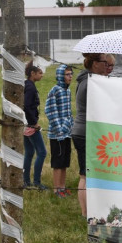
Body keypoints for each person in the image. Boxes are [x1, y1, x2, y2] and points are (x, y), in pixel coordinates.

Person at [71, 53, 108, 216]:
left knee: (88, 173)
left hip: (84, 131)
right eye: (105, 63)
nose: (107, 67)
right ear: (95, 64)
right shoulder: (89, 83)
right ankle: (85, 212)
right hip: (85, 132)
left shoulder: (86, 80)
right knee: (85, 175)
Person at [45, 63, 74, 197]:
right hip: (57, 134)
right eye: (67, 74)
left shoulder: (67, 91)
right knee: (57, 162)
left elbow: (68, 112)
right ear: (61, 76)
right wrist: (60, 129)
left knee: (64, 161)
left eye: (71, 74)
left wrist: (69, 126)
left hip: (67, 132)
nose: (70, 77)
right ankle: (56, 189)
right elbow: (50, 111)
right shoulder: (54, 90)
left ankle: (62, 187)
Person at [22, 62, 47, 190]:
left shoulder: (27, 85)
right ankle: (36, 182)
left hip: (25, 124)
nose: (42, 75)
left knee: (29, 152)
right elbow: (26, 106)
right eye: (40, 73)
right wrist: (33, 123)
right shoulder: (30, 88)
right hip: (30, 125)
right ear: (32, 74)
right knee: (42, 152)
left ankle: (26, 181)